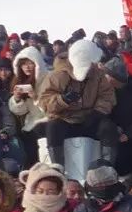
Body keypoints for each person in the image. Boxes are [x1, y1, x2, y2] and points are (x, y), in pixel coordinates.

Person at [38, 38, 118, 175]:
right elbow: (44, 102)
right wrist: (63, 100)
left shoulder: (98, 75)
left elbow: (108, 97)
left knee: (109, 128)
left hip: (90, 119)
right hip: (65, 119)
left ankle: (107, 168)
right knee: (52, 127)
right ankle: (58, 169)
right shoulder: (57, 76)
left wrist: (98, 112)